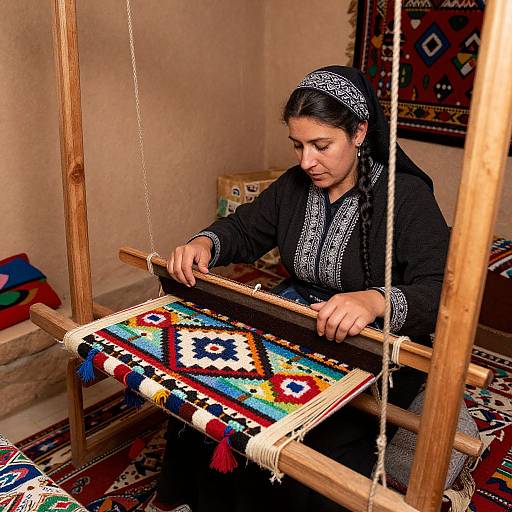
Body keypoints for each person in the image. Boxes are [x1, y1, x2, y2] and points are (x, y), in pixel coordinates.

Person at [149, 66, 449, 512]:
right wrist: (203, 243)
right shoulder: (294, 187)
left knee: (293, 442)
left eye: (321, 146)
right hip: (296, 328)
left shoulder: (406, 198)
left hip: (370, 352)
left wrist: (375, 299)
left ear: (360, 132)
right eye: (298, 145)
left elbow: (440, 290)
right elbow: (244, 229)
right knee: (211, 399)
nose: (307, 161)